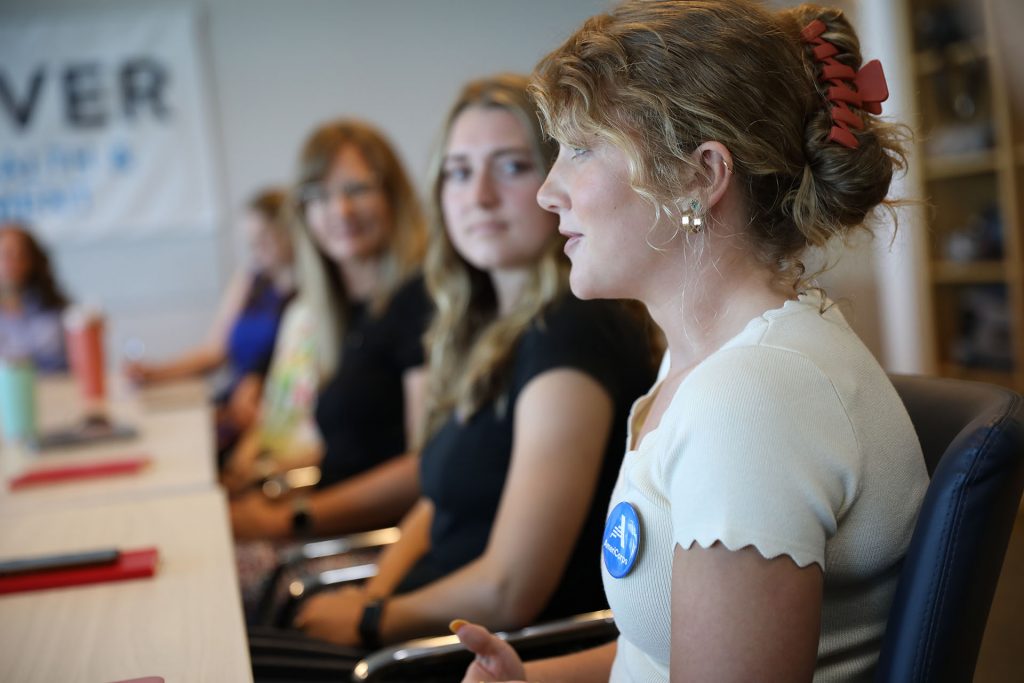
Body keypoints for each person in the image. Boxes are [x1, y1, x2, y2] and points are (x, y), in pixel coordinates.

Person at [455, 2, 930, 682]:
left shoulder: (755, 397)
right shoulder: (703, 361)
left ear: (702, 176)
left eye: (582, 148)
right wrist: (531, 679)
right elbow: (657, 656)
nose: (548, 192)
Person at [287, 74, 656, 657]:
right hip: (419, 628)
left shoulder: (571, 330)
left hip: (481, 655)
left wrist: (373, 620)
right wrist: (374, 597)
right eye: (459, 172)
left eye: (510, 166)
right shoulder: (485, 327)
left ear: (557, 178)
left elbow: (512, 589)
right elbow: (436, 499)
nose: (478, 196)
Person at [229, 118, 430, 545]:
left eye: (356, 189)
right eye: (318, 196)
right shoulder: (342, 310)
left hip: (366, 545)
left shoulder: (419, 300)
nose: (340, 212)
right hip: (328, 525)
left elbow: (423, 469)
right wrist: (269, 479)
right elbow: (359, 451)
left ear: (393, 195)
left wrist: (288, 518)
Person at [124, 189, 296, 452]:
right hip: (236, 403)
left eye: (264, 238)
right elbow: (214, 351)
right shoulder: (251, 280)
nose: (256, 250)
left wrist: (257, 384)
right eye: (251, 242)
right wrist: (156, 373)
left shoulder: (308, 294)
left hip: (274, 409)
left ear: (290, 232)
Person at [0, 222, 70, 372]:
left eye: (21, 255)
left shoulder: (56, 307)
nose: (14, 263)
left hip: (56, 388)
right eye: (6, 255)